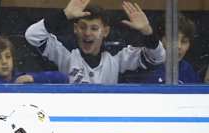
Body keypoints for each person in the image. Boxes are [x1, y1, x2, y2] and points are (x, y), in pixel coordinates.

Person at [24, 0, 166, 84]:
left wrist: (147, 32)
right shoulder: (65, 49)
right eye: (82, 27)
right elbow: (32, 35)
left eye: (94, 28)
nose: (87, 33)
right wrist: (64, 14)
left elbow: (158, 57)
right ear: (75, 29)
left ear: (105, 31)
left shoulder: (117, 55)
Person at [136, 13, 201, 84]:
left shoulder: (188, 70)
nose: (178, 46)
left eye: (184, 41)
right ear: (160, 40)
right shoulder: (145, 66)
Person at [0, 35, 69, 84]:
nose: (4, 62)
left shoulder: (22, 78)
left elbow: (63, 78)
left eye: (8, 56)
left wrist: (33, 78)